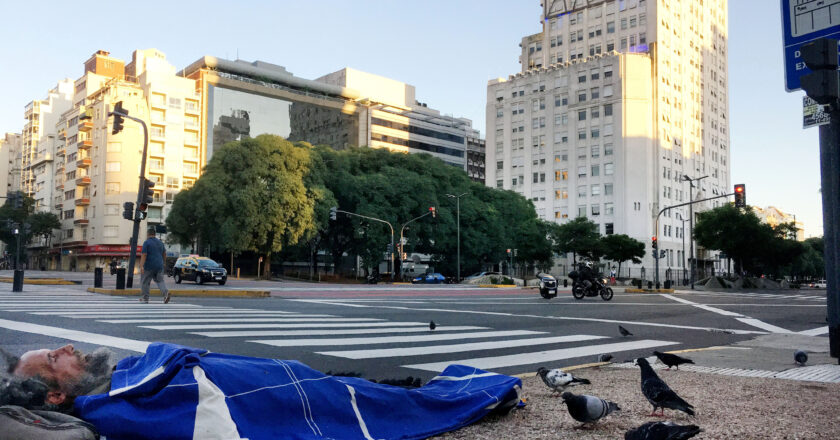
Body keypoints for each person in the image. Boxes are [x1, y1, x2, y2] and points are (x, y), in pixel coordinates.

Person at [9, 342, 522, 440]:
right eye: (55, 360)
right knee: (382, 403)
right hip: (262, 394)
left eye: (56, 347)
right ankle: (468, 394)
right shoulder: (113, 408)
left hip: (270, 374)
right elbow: (207, 418)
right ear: (56, 397)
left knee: (341, 385)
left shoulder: (125, 374)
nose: (68, 349)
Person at [140, 227, 169, 304]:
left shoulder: (146, 242)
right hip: (159, 265)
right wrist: (164, 263)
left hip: (149, 266)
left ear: (148, 234)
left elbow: (144, 254)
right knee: (160, 281)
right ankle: (165, 293)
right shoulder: (160, 243)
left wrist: (141, 266)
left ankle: (145, 298)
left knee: (145, 281)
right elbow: (164, 253)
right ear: (154, 234)